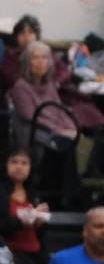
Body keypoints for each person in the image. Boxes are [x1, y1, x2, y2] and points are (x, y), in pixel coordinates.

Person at [9, 41, 80, 208]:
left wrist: (71, 128)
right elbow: (31, 115)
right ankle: (67, 197)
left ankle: (69, 195)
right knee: (64, 145)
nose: (41, 62)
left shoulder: (49, 85)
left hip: (54, 133)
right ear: (27, 62)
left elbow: (59, 110)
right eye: (36, 58)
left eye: (44, 58)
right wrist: (60, 131)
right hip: (33, 133)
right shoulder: (20, 86)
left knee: (73, 142)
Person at [0, 146, 49, 264]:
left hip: (36, 254)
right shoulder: (2, 192)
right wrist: (23, 220)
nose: (19, 167)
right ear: (6, 165)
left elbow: (40, 233)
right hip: (10, 258)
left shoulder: (33, 194)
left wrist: (40, 222)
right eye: (14, 162)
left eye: (24, 163)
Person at [0, 15, 43, 92]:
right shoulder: (11, 54)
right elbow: (9, 77)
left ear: (37, 36)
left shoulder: (44, 52)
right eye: (22, 33)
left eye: (31, 32)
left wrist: (56, 83)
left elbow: (64, 71)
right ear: (16, 37)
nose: (27, 37)